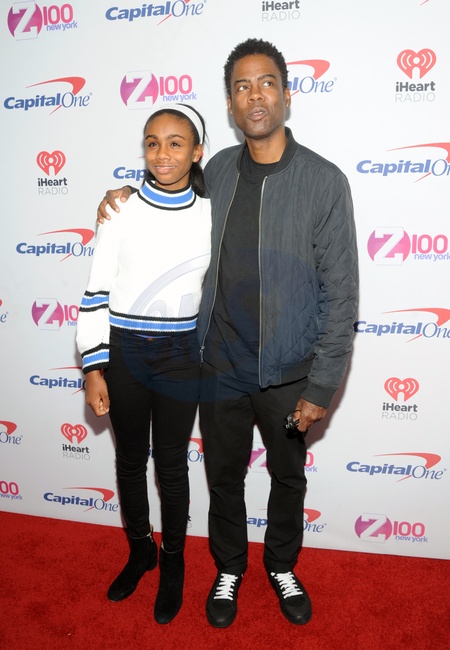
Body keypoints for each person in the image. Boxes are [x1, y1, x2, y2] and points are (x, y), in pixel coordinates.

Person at [98, 38, 359, 629]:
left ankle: (282, 564)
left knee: (288, 476)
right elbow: (164, 202)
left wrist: (322, 384)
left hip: (289, 372)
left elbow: (342, 294)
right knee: (222, 477)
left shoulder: (324, 182)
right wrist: (122, 199)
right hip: (217, 365)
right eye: (242, 86)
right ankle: (229, 567)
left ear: (287, 94)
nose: (254, 96)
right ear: (230, 103)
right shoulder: (215, 170)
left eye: (266, 83)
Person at [77, 104, 211, 624]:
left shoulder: (211, 213)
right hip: (124, 352)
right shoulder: (120, 210)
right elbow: (96, 291)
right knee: (130, 460)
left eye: (176, 143)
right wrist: (93, 368)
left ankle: (173, 562)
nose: (162, 153)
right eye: (152, 142)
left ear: (196, 152)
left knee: (171, 466)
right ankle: (141, 551)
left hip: (181, 357)